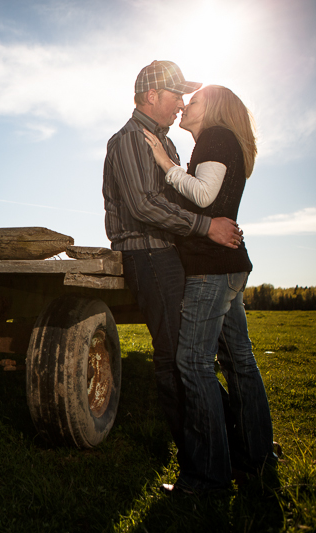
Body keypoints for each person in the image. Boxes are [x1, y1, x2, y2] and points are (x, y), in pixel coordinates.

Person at [102, 61, 243, 473]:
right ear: (151, 97)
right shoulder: (129, 140)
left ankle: (219, 447)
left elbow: (185, 196)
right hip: (149, 253)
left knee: (191, 354)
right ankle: (199, 457)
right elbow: (144, 205)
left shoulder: (166, 143)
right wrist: (206, 227)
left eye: (186, 96)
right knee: (174, 356)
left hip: (169, 252)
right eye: (175, 94)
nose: (181, 103)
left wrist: (208, 223)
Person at [142, 85, 277, 493]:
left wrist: (165, 163)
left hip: (210, 270)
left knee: (193, 363)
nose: (185, 105)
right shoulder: (221, 142)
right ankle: (256, 457)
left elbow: (205, 194)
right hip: (229, 267)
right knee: (240, 361)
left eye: (194, 100)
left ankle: (209, 475)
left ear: (213, 109)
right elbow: (214, 202)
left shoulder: (216, 138)